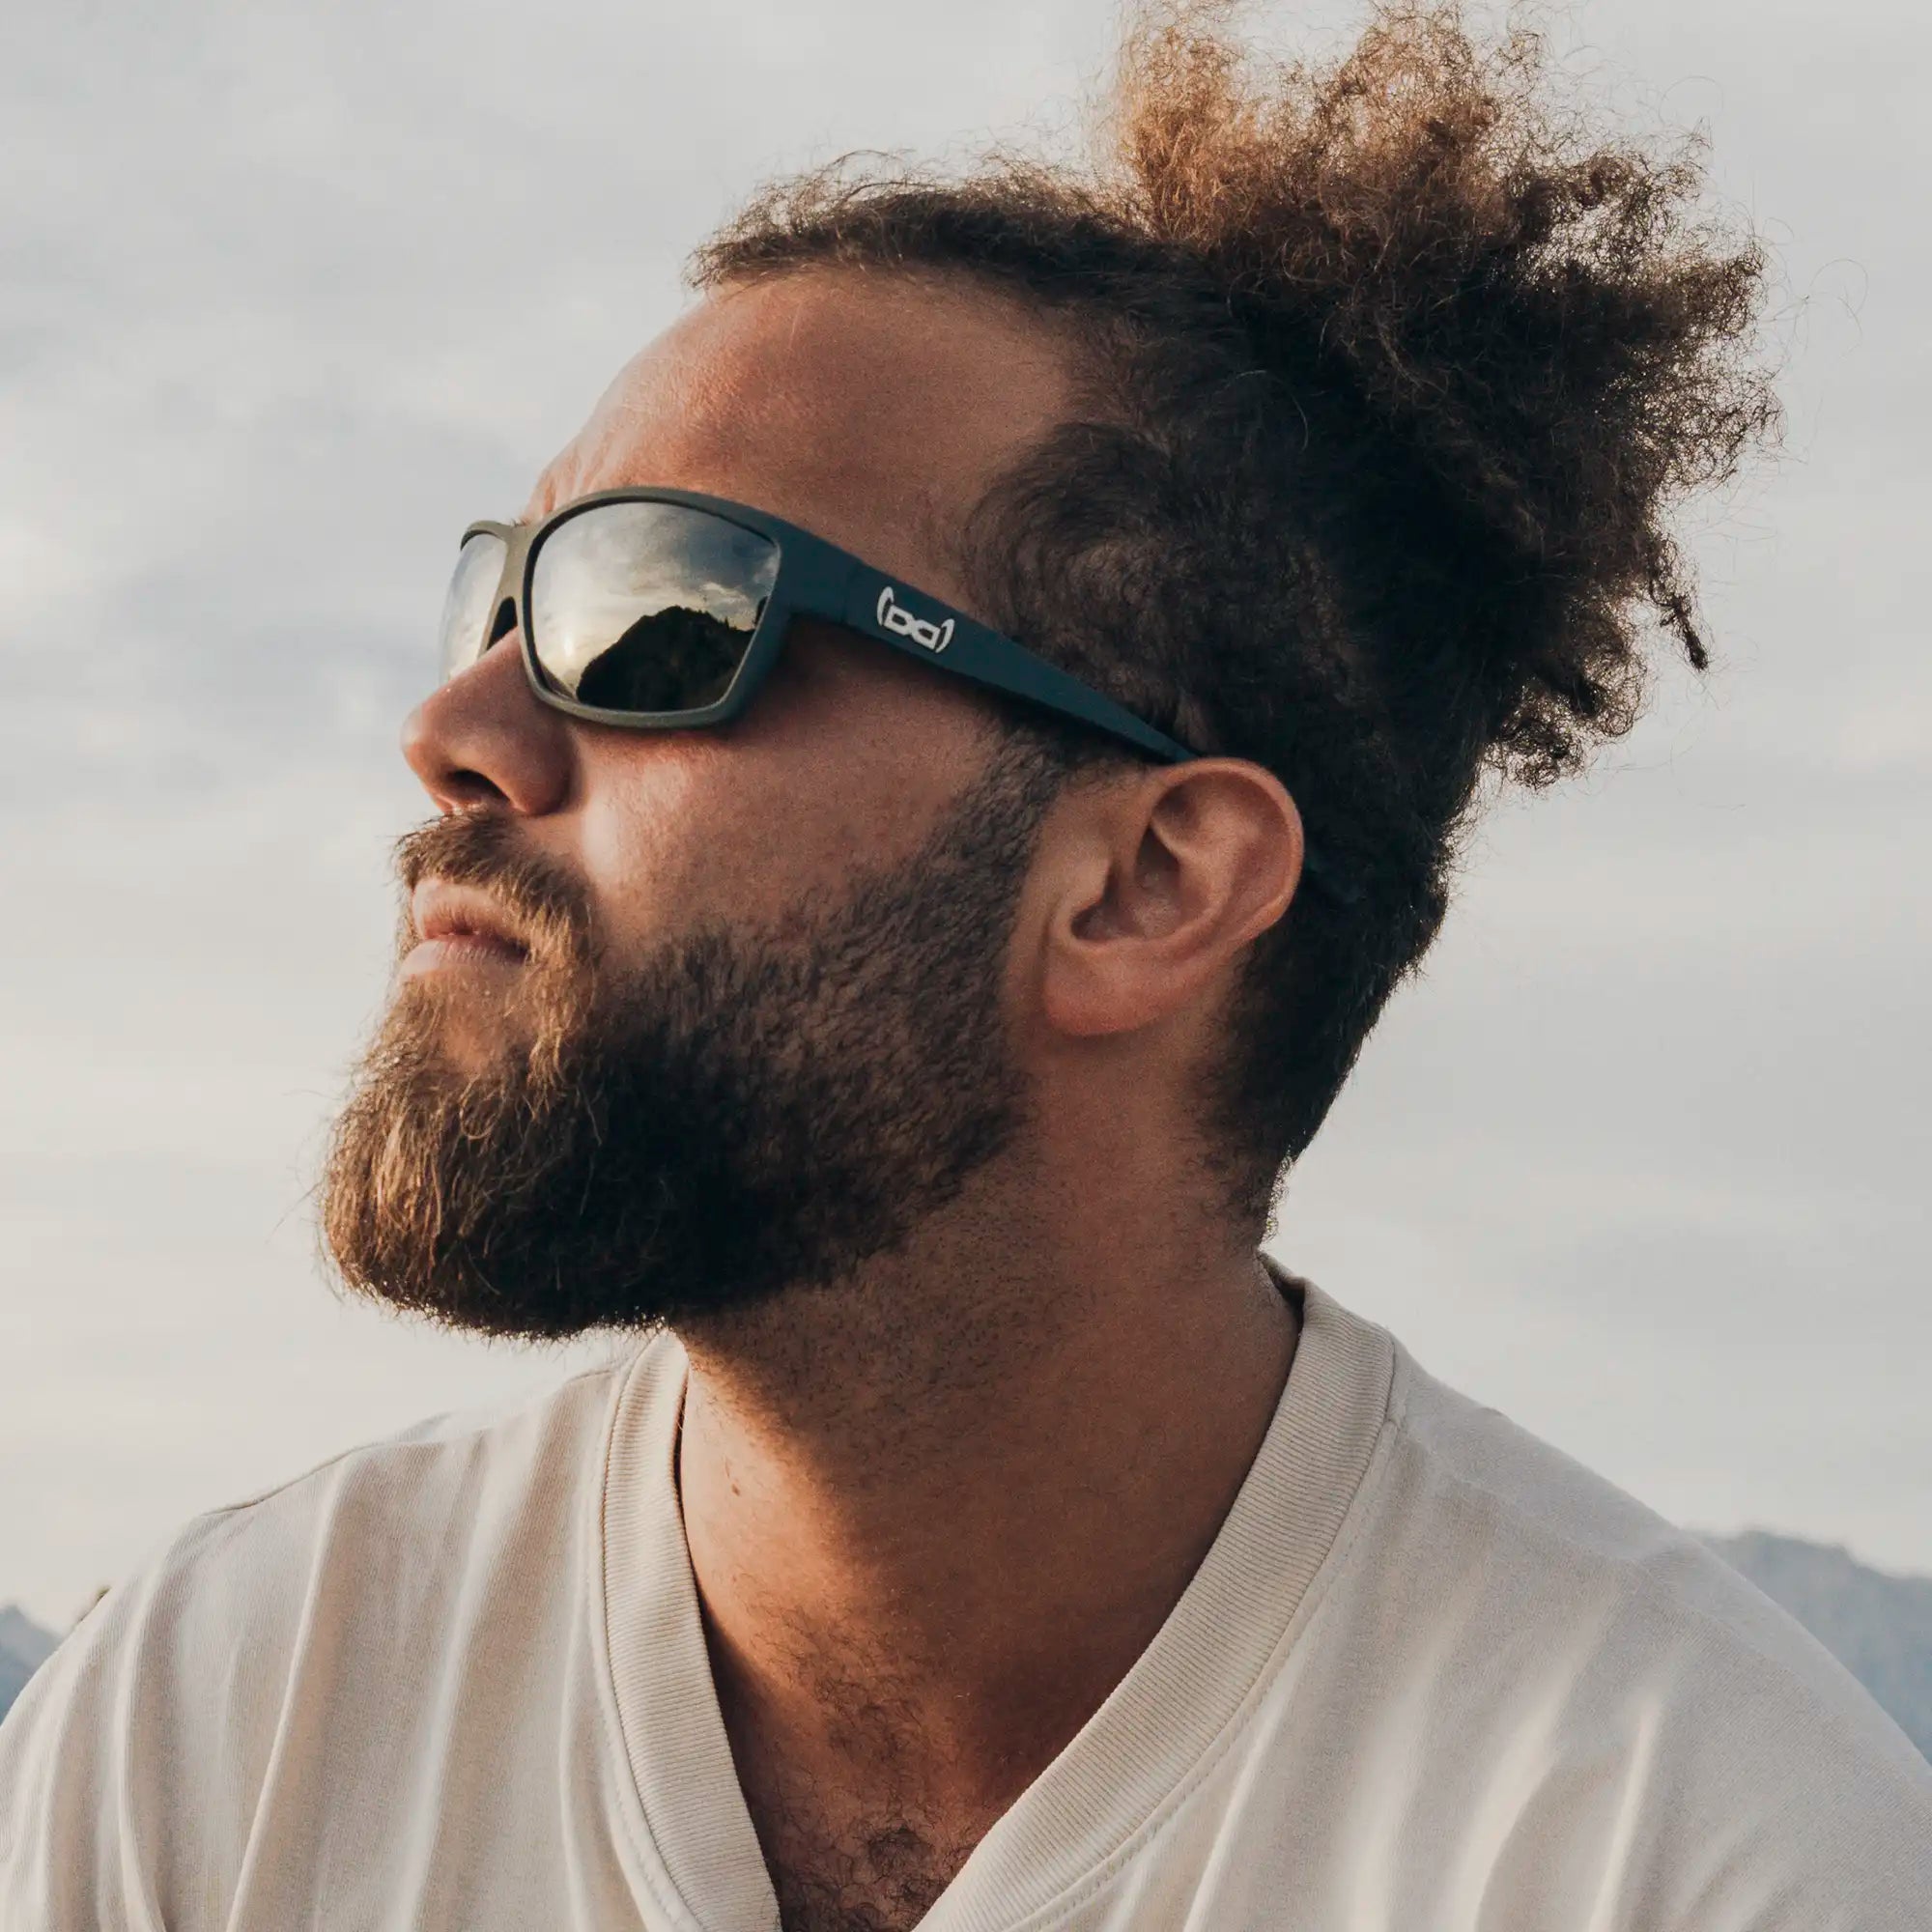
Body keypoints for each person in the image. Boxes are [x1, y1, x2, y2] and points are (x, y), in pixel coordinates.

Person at [4, 5, 1928, 1927]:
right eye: (498, 594)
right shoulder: (222, 1729)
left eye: (660, 614)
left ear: (1146, 885)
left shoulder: (1689, 1853)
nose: (453, 729)